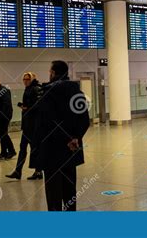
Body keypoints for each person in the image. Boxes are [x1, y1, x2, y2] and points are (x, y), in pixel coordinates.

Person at [36, 61, 90, 211]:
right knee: (69, 188)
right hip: (71, 150)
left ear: (53, 73)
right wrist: (74, 138)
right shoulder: (77, 92)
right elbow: (84, 120)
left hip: (52, 150)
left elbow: (46, 123)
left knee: (53, 191)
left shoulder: (48, 92)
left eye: (50, 71)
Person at [6, 72, 43, 180]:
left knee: (34, 149)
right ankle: (18, 171)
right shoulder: (28, 89)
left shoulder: (36, 89)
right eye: (24, 79)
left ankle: (38, 171)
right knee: (23, 148)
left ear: (32, 79)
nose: (25, 81)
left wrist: (27, 108)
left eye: (27, 79)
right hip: (27, 125)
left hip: (33, 126)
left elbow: (38, 105)